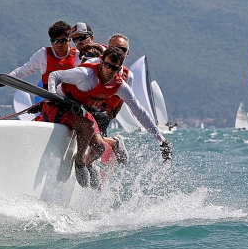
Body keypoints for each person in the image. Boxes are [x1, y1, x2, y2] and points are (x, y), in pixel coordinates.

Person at [45, 46, 171, 186]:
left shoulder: (120, 86)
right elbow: (54, 75)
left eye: (115, 68)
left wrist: (162, 140)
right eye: (107, 65)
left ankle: (87, 162)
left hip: (78, 113)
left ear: (120, 68)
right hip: (58, 107)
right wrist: (52, 95)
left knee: (100, 147)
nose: (110, 71)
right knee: (88, 126)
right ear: (101, 61)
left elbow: (139, 111)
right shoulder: (85, 74)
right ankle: (79, 161)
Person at [3, 21, 80, 85]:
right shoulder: (43, 54)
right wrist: (4, 80)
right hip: (50, 98)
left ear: (69, 40)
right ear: (51, 42)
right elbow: (22, 72)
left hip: (72, 98)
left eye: (63, 41)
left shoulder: (78, 55)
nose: (59, 44)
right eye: (55, 41)